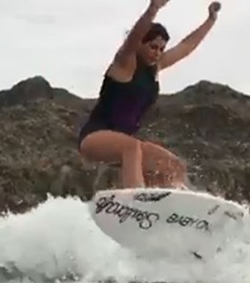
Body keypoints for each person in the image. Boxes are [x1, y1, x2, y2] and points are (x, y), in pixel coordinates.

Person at [77, 0, 221, 190]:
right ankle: (137, 199)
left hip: (126, 143)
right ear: (141, 45)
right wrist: (153, 9)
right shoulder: (124, 63)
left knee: (173, 166)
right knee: (132, 147)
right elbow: (133, 39)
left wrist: (210, 20)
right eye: (153, 47)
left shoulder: (154, 69)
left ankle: (165, 206)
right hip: (94, 138)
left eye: (161, 49)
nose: (158, 53)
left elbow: (186, 46)